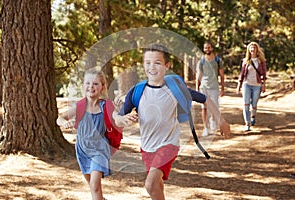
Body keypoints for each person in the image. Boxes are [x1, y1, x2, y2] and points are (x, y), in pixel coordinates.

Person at [114, 43, 230, 200]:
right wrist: (123, 118)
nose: (152, 67)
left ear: (167, 65)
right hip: (147, 146)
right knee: (157, 184)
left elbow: (205, 99)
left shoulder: (175, 89)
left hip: (169, 144)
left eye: (157, 62)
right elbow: (118, 120)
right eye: (147, 62)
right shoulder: (136, 91)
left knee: (150, 184)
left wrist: (222, 121)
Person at [57, 68, 111, 200]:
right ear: (83, 86)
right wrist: (64, 123)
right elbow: (59, 118)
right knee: (93, 186)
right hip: (82, 149)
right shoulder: (79, 106)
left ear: (102, 87)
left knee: (95, 185)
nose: (91, 86)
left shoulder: (105, 106)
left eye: (95, 84)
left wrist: (123, 116)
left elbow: (118, 118)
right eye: (88, 83)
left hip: (100, 149)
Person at [196, 40, 225, 136]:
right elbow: (199, 76)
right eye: (205, 48)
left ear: (212, 48)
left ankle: (212, 119)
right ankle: (205, 128)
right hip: (204, 87)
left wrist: (222, 88)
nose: (207, 49)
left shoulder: (218, 60)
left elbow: (221, 75)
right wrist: (197, 88)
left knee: (214, 107)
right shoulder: (202, 61)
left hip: (214, 88)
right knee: (204, 108)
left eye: (209, 47)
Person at [236, 42, 267, 131]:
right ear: (248, 50)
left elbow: (264, 74)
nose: (252, 49)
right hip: (246, 84)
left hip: (257, 85)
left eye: (254, 48)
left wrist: (264, 85)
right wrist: (239, 85)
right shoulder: (246, 61)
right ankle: (247, 123)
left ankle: (253, 116)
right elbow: (242, 74)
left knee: (254, 104)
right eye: (251, 48)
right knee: (246, 104)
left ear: (257, 49)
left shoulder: (261, 61)